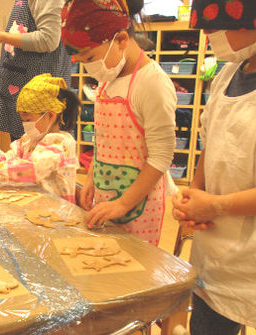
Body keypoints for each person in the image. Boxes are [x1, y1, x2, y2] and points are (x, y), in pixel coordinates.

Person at [171, 1, 256, 335]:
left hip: (250, 253)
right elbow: (212, 142)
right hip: (217, 250)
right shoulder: (226, 76)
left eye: (216, 26)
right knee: (208, 329)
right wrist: (194, 194)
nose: (208, 34)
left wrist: (217, 205)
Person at [62, 0, 176, 245]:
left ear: (122, 39)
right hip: (107, 195)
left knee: (133, 268)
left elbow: (161, 157)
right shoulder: (109, 79)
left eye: (90, 57)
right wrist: (92, 177)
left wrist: (124, 203)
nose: (89, 66)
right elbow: (102, 141)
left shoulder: (152, 83)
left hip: (139, 204)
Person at [0, 73, 80, 203]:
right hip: (32, 203)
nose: (25, 124)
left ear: (51, 115)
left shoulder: (60, 142)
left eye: (29, 119)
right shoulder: (28, 140)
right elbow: (9, 160)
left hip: (57, 209)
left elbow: (34, 168)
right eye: (23, 120)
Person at [0, 0, 71, 141]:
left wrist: (1, 37)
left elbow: (48, 40)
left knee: (42, 148)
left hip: (36, 90)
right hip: (20, 82)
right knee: (23, 148)